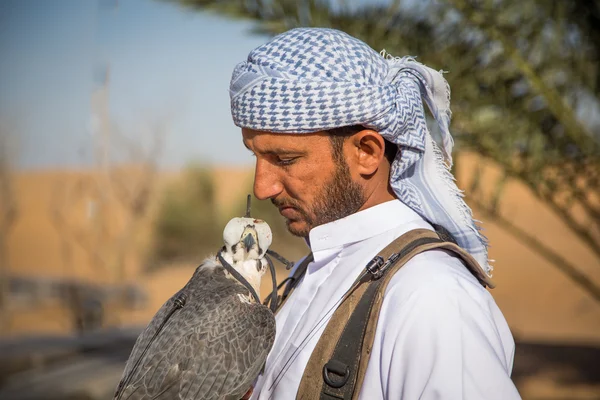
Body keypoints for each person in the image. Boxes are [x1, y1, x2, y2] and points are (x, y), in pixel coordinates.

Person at [229, 27, 521, 399]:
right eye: (255, 156)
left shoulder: (430, 297)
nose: (262, 187)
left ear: (366, 151)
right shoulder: (309, 272)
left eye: (285, 159)